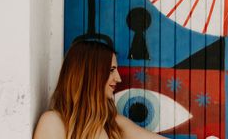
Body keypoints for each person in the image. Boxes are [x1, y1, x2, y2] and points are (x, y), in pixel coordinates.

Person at [34, 39, 165, 139]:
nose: (118, 78)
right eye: (111, 70)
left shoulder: (112, 123)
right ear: (90, 74)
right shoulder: (53, 122)